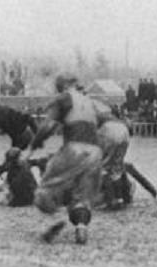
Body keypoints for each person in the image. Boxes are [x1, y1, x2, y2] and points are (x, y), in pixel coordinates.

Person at [22, 74, 104, 244]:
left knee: (45, 189)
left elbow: (48, 126)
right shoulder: (89, 101)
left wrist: (31, 148)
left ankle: (55, 220)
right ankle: (81, 227)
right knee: (80, 196)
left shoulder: (64, 98)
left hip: (75, 148)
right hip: (95, 151)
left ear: (62, 86)